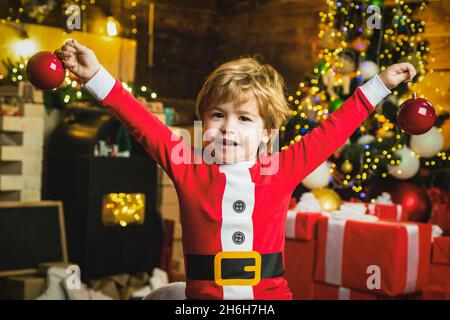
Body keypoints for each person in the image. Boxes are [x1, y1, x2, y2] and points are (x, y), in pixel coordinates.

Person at [58, 39, 416, 300]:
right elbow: (140, 121)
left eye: (244, 118)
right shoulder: (187, 166)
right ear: (202, 120)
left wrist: (380, 84)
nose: (228, 128)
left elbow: (334, 129)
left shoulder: (283, 167)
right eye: (218, 115)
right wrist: (96, 77)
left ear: (267, 133)